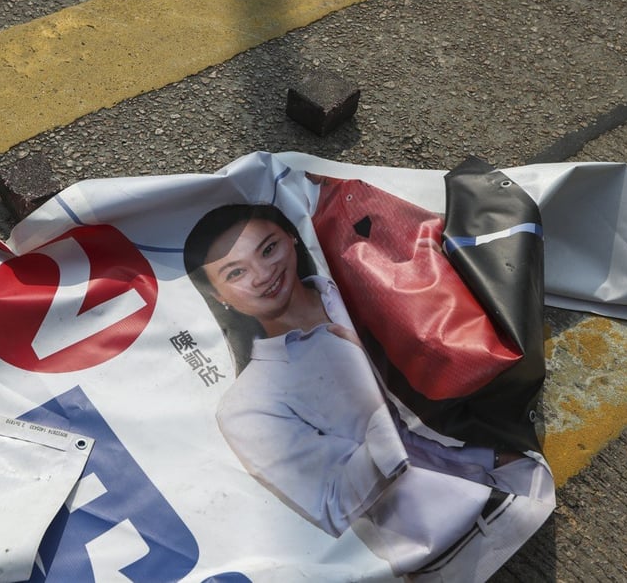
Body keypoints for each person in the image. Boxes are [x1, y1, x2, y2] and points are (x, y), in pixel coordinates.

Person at [183, 202, 541, 578]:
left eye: (269, 248)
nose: (263, 274)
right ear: (219, 296)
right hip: (453, 546)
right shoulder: (248, 405)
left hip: (518, 471)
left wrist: (497, 458)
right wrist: (370, 390)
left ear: (291, 238)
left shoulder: (359, 274)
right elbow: (330, 502)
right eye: (236, 272)